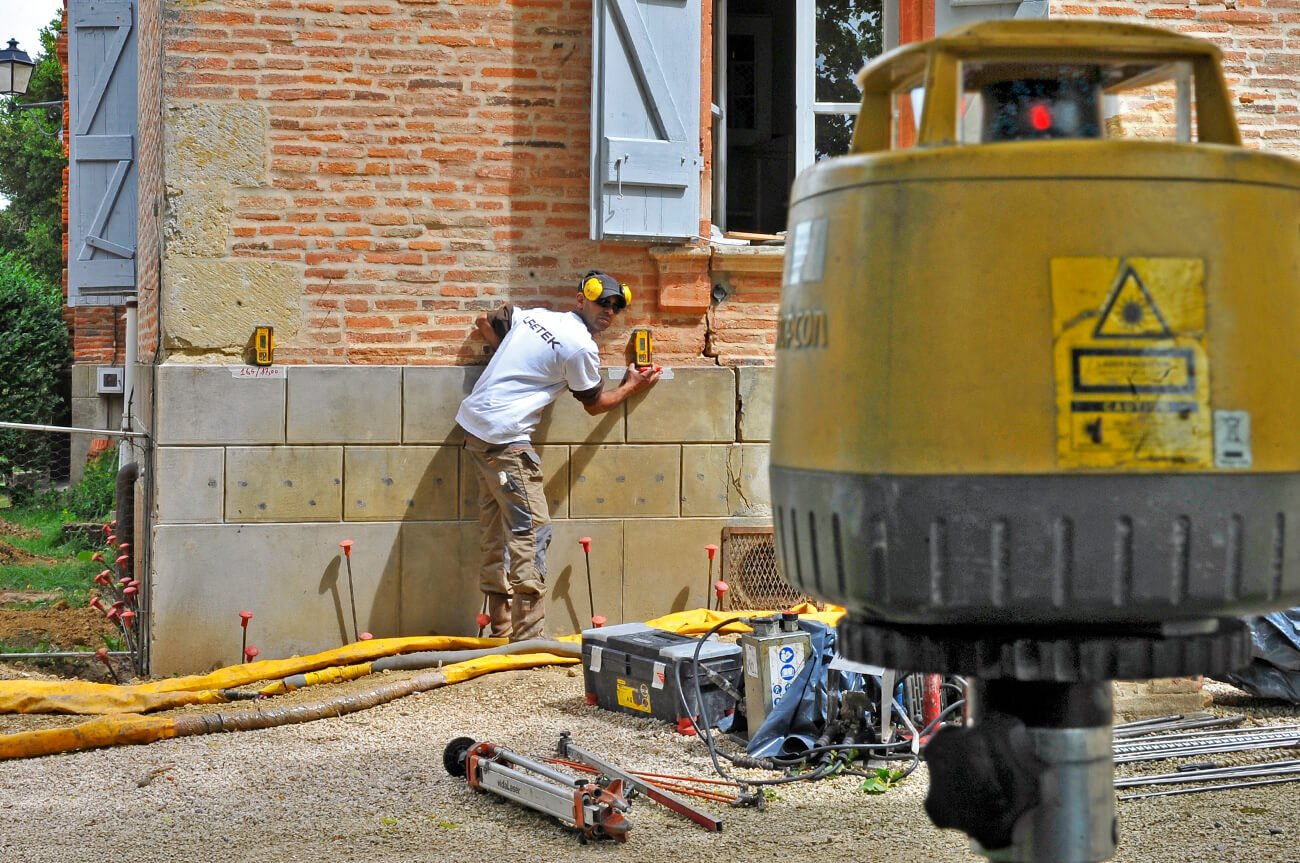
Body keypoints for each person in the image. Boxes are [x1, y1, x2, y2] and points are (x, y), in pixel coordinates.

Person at [456, 271, 663, 641]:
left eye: (616, 307)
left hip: (475, 428)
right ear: (581, 299)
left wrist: (506, 358)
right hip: (505, 439)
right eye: (603, 302)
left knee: (495, 528)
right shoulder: (581, 347)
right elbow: (595, 404)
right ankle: (528, 638)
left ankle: (500, 627)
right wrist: (633, 386)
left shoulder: (536, 316)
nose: (609, 312)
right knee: (531, 529)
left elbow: (486, 321)